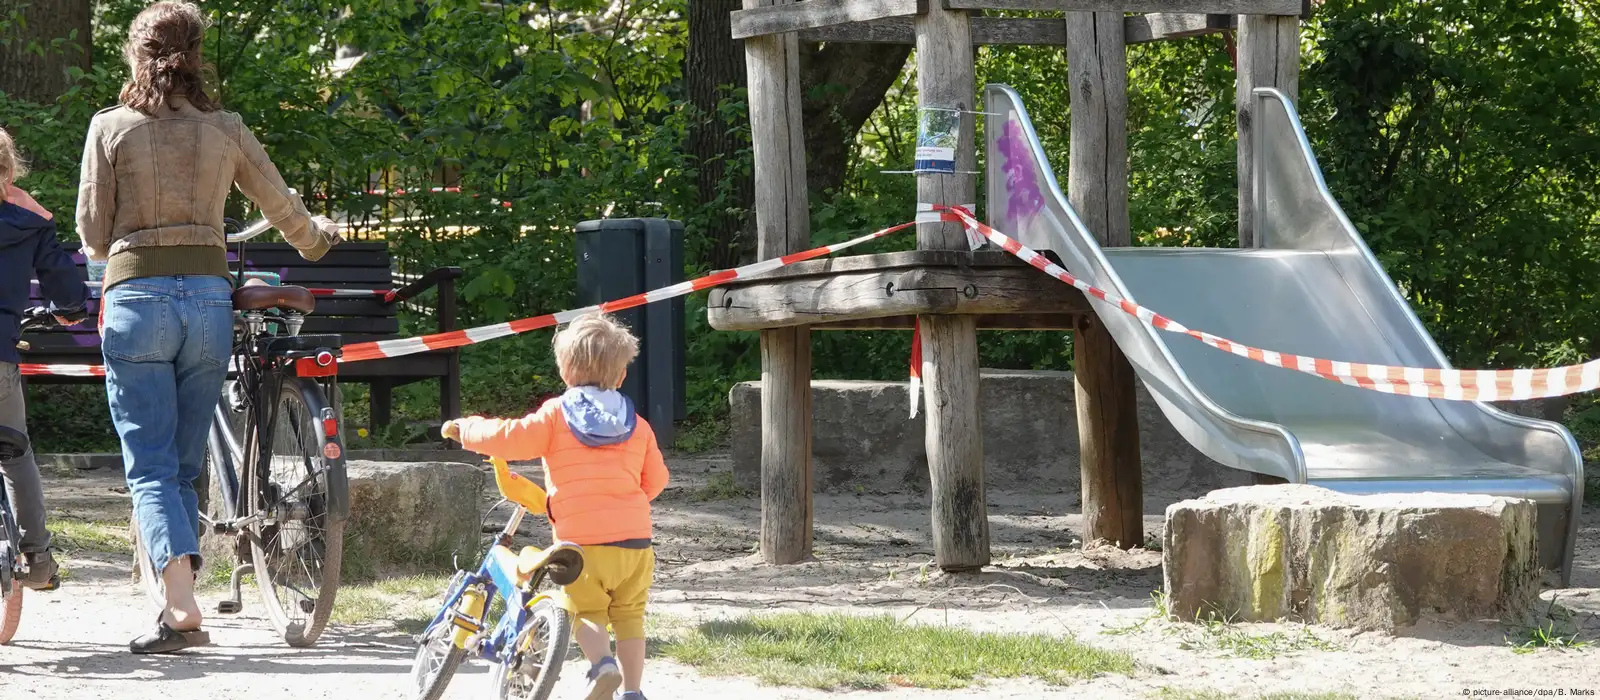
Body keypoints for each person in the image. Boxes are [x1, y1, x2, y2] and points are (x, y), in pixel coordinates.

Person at [77, 0, 342, 654]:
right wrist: (314, 242)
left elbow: (90, 234)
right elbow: (280, 203)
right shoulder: (225, 128)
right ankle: (182, 588)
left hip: (137, 301)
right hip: (207, 304)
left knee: (151, 465)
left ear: (135, 55)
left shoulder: (111, 128)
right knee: (186, 459)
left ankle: (180, 607)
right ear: (196, 56)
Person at [443, 313, 667, 700]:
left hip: (582, 544)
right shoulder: (639, 425)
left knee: (587, 612)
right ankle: (633, 691)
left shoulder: (557, 415)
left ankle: (602, 666)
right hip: (636, 543)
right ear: (622, 375)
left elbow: (510, 438)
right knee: (630, 617)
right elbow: (657, 480)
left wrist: (467, 428)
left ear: (564, 371)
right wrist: (626, 503)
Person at [0, 127, 89, 590]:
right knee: (15, 452)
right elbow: (64, 284)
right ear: (9, 170)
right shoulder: (27, 218)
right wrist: (69, 310)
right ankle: (35, 560)